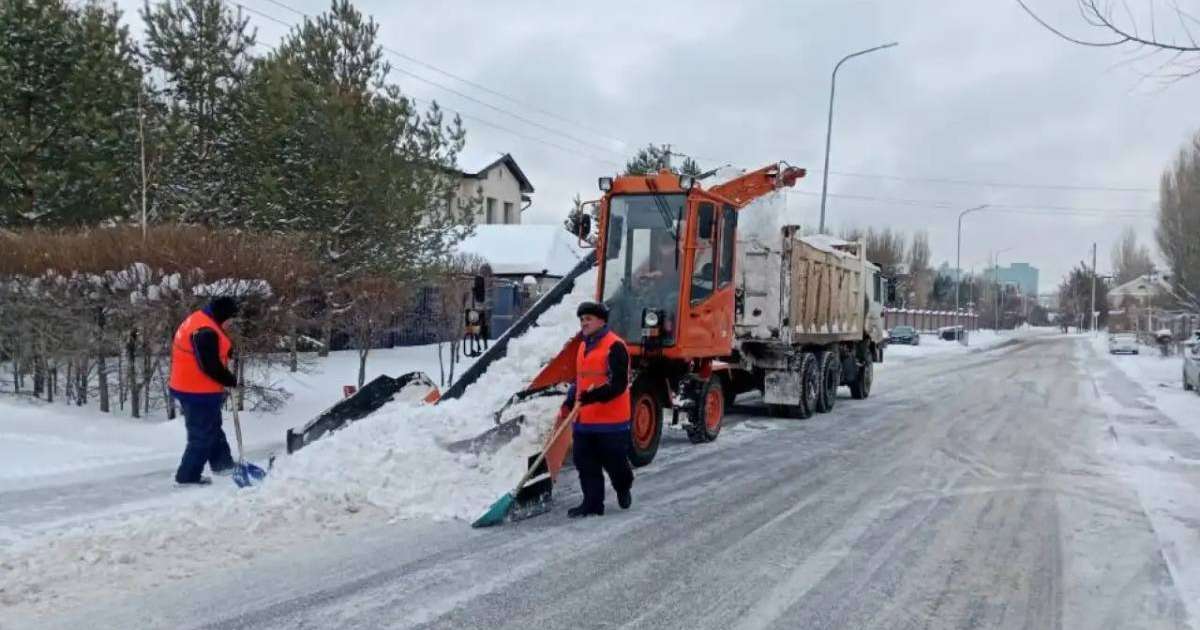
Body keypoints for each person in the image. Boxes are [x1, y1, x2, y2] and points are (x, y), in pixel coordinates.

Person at [559, 301, 634, 518]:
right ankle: (592, 504)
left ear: (601, 321)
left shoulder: (615, 346)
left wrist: (593, 397)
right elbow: (580, 380)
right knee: (585, 464)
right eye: (582, 320)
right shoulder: (582, 346)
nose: (584, 323)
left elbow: (619, 385)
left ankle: (623, 487)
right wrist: (569, 401)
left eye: (588, 319)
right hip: (584, 422)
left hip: (611, 422)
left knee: (615, 463)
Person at [169, 296, 240, 485]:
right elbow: (209, 365)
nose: (231, 323)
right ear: (223, 315)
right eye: (231, 318)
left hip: (194, 387)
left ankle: (223, 465)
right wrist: (229, 379)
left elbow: (207, 351)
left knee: (212, 428)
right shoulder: (205, 331)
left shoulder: (202, 319)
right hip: (196, 390)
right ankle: (187, 477)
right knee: (201, 436)